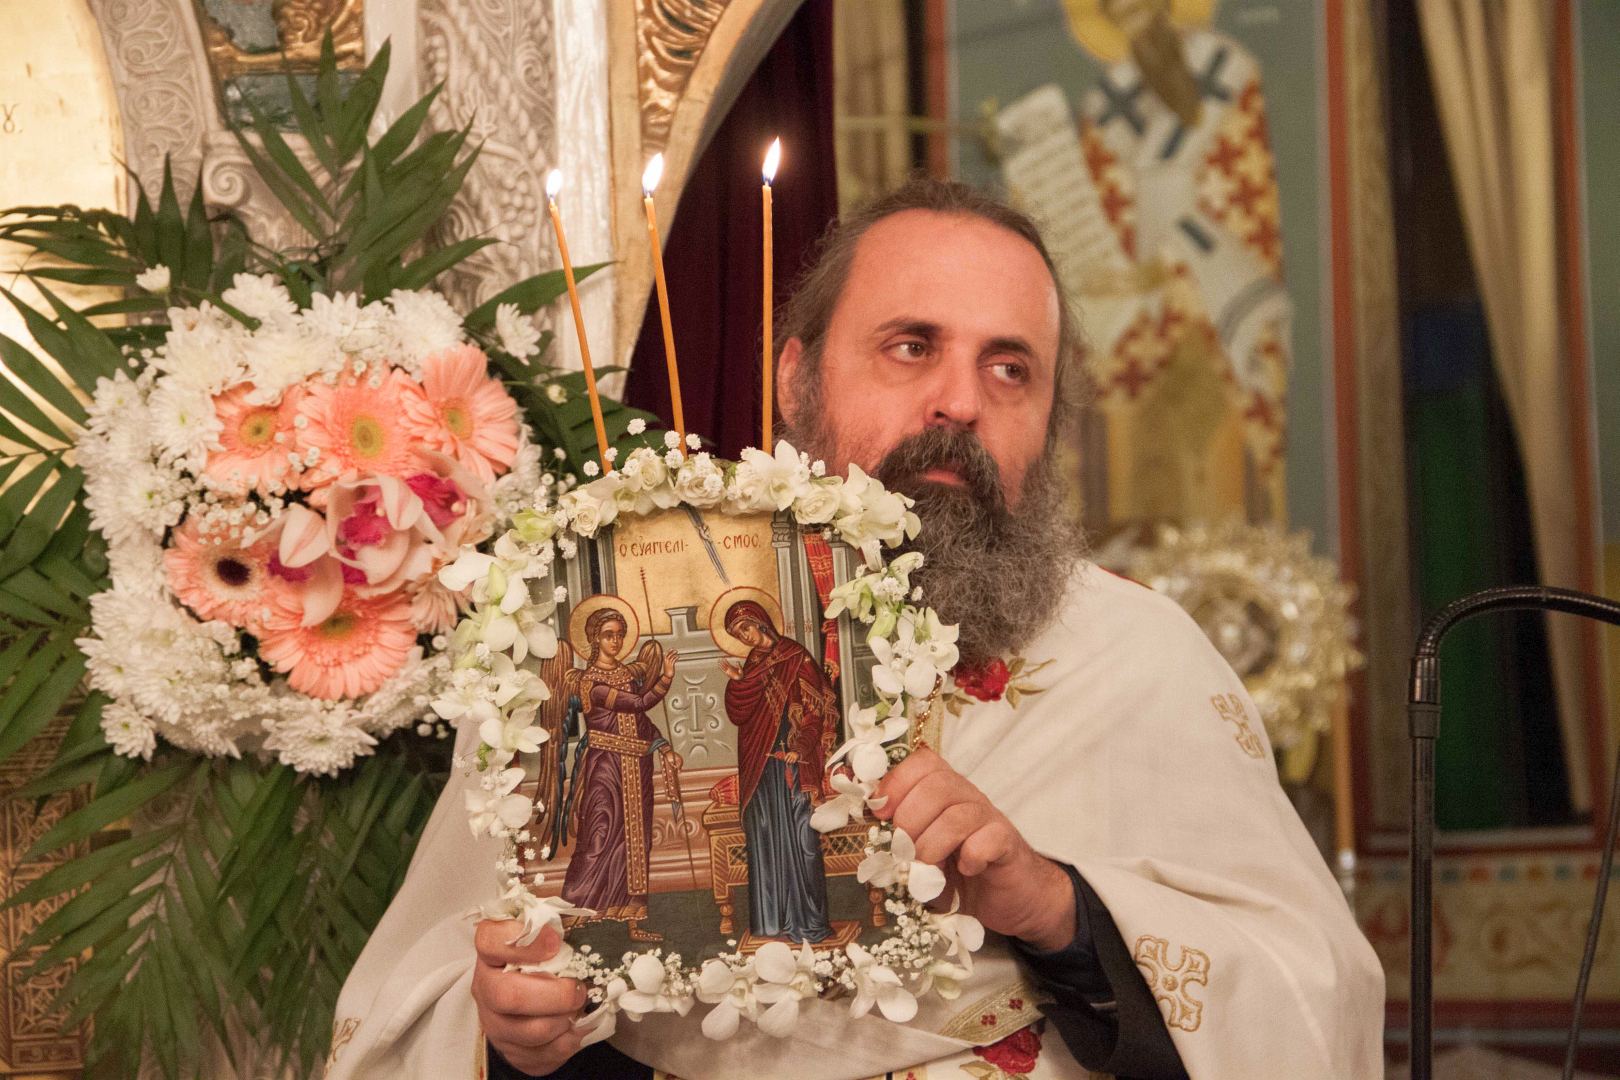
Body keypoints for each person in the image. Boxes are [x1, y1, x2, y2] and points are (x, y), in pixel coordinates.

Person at [326, 178, 1384, 1079]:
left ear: (1050, 421)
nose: (959, 402)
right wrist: (514, 1034)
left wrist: (1056, 908)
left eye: (1009, 368)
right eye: (911, 347)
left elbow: (1310, 988)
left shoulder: (1139, 659)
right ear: (796, 380)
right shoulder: (592, 618)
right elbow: (419, 995)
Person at [555, 606, 683, 943]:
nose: (615, 641)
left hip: (637, 769)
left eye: (620, 635)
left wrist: (664, 747)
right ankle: (571, 915)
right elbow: (636, 704)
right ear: (595, 639)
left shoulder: (627, 674)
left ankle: (633, 919)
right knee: (598, 838)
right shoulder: (590, 681)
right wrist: (666, 677)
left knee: (635, 844)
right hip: (606, 767)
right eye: (608, 635)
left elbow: (641, 721)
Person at [718, 599, 838, 944]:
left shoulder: (795, 657)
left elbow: (818, 708)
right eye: (737, 634)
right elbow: (740, 714)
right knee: (766, 837)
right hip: (761, 765)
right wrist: (738, 682)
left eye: (745, 627)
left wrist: (801, 746)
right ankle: (772, 923)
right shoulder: (752, 664)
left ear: (760, 621)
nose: (744, 637)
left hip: (795, 763)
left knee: (802, 838)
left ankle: (809, 922)